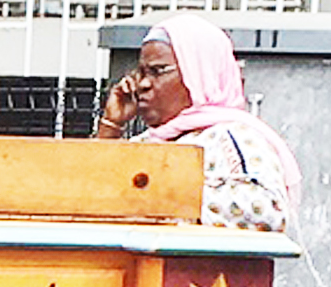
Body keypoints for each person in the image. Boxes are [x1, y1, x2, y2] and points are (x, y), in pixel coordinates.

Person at [94, 13, 301, 232]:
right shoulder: (151, 141)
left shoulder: (232, 137)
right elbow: (86, 193)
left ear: (200, 74)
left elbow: (269, 210)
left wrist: (154, 190)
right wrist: (110, 126)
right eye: (141, 73)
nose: (143, 84)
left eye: (157, 71)